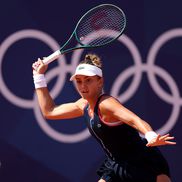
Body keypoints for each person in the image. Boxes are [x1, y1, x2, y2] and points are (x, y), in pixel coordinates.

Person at [32, 53, 176, 182]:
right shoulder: (83, 105)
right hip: (116, 163)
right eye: (79, 81)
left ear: (100, 81)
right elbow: (49, 111)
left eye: (88, 80)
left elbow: (134, 120)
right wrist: (38, 77)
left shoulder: (106, 104)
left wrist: (150, 135)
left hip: (142, 162)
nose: (83, 86)